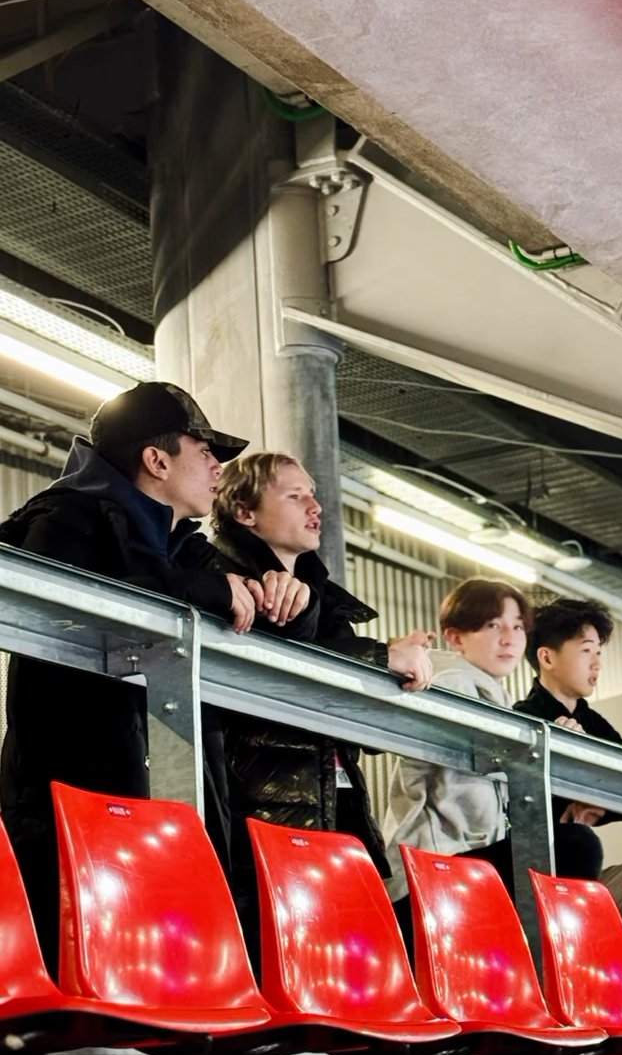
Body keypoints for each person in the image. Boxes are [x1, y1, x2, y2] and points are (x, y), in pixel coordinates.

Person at [0, 381, 256, 972]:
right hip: (76, 812)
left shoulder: (183, 550)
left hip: (155, 809)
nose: (219, 466)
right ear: (157, 459)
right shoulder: (64, 520)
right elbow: (112, 592)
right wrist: (212, 592)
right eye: (206, 450)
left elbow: (258, 617)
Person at [211, 451, 434, 951]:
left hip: (339, 801)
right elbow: (273, 670)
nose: (316, 506)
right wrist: (382, 657)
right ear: (245, 513)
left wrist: (392, 674)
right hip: (264, 815)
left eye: (313, 493)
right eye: (295, 495)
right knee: (278, 960)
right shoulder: (221, 580)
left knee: (347, 969)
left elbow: (370, 732)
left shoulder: (325, 602)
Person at [383, 578, 603, 947]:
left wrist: (553, 742)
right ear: (455, 637)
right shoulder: (450, 685)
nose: (509, 638)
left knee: (566, 849)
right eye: (492, 625)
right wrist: (543, 743)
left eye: (517, 626)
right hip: (429, 874)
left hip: (460, 870)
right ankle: (551, 973)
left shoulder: (497, 700)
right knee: (576, 845)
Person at [514, 597, 622, 924]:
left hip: (581, 880)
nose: (597, 664)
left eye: (599, 653)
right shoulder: (523, 718)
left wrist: (589, 803)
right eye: (586, 650)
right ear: (547, 657)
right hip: (532, 881)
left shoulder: (592, 723)